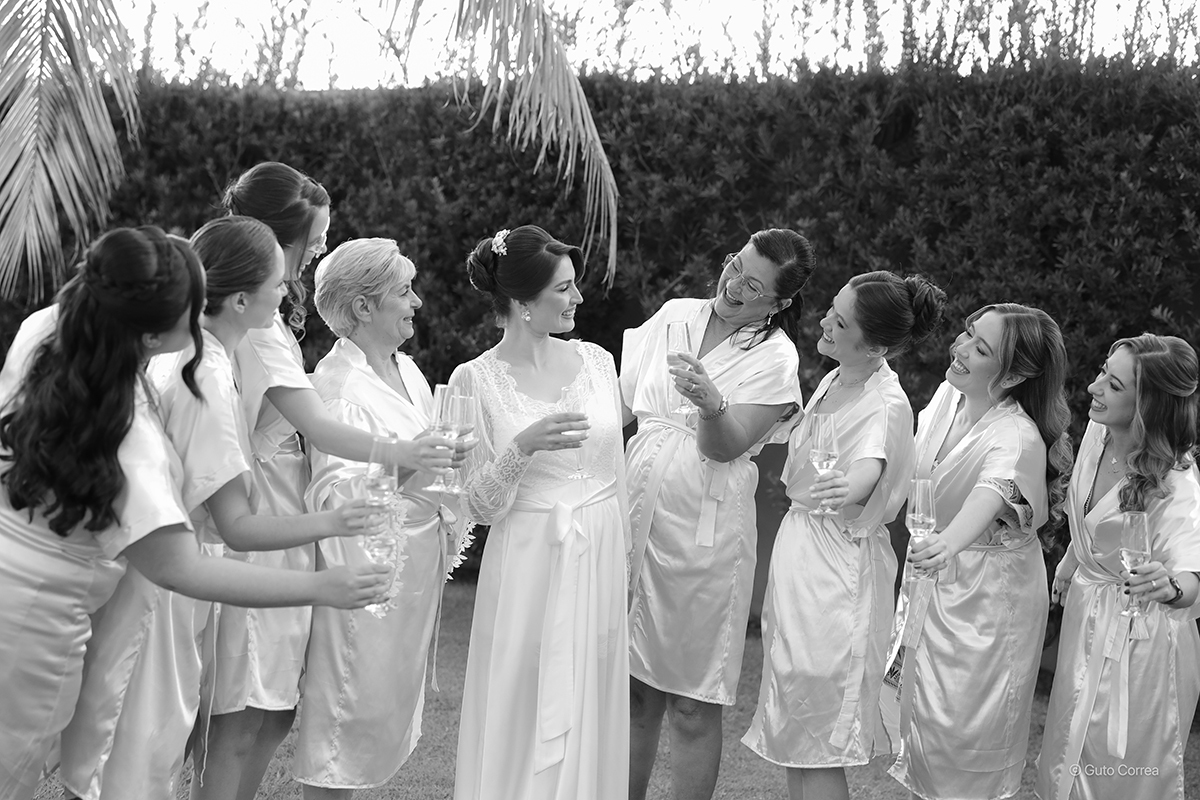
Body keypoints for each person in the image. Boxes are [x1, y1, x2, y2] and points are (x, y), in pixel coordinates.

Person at [0, 227, 389, 800]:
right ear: (153, 332)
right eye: (195, 301)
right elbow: (182, 566)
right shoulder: (131, 433)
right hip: (39, 625)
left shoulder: (45, 333)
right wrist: (321, 586)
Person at [193, 163, 453, 800]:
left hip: (288, 517)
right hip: (262, 515)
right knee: (246, 711)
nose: (319, 250)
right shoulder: (258, 327)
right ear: (277, 237)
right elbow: (320, 426)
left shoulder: (270, 320)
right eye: (314, 239)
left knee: (273, 711)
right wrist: (403, 451)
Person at [622, 229, 814, 800]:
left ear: (779, 302)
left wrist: (712, 404)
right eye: (735, 266)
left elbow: (726, 446)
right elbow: (619, 402)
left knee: (690, 701)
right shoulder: (675, 314)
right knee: (631, 691)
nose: (732, 285)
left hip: (703, 530)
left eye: (753, 285)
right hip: (633, 503)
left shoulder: (776, 357)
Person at [741, 271, 946, 800]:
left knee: (820, 732)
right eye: (832, 308)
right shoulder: (836, 378)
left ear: (874, 346)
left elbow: (870, 466)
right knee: (794, 724)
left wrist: (845, 487)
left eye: (841, 320)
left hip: (840, 567)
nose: (825, 321)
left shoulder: (886, 402)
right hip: (803, 552)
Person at [448, 225, 630, 800]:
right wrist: (521, 447)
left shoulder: (598, 361)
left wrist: (624, 554)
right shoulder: (474, 379)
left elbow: (616, 470)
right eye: (563, 288)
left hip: (599, 550)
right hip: (529, 558)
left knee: (592, 690)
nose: (578, 297)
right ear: (523, 302)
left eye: (574, 285)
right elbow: (479, 503)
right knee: (522, 691)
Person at [881, 303, 1073, 800]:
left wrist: (946, 543)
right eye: (967, 332)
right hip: (936, 575)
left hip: (988, 599)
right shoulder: (949, 395)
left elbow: (989, 496)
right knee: (924, 729)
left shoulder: (1017, 435)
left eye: (980, 347)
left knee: (964, 739)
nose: (960, 347)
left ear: (1013, 375)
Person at [293, 238, 456, 798]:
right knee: (344, 718)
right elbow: (337, 499)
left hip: (415, 565)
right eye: (404, 292)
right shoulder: (338, 389)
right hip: (363, 572)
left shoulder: (407, 369)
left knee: (381, 712)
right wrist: (416, 463)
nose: (417, 303)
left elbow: (426, 456)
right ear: (363, 307)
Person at [1036, 334, 1200, 800]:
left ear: (1148, 405)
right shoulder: (1098, 430)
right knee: (1068, 746)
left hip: (1142, 642)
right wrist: (1071, 561)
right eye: (1102, 373)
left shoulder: (1177, 482)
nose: (1094, 388)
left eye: (1113, 384)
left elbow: (1192, 575)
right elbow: (1091, 518)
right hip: (1086, 614)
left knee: (1117, 771)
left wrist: (1169, 588)